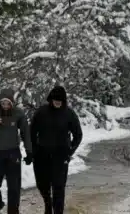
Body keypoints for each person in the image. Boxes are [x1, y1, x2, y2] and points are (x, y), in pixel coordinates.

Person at [29, 86, 83, 214]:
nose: (58, 102)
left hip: (61, 156)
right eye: (55, 99)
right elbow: (31, 133)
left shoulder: (69, 114)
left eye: (60, 100)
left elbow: (78, 135)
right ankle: (48, 204)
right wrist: (34, 149)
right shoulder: (41, 112)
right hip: (42, 155)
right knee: (42, 185)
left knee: (58, 187)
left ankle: (58, 211)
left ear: (64, 100)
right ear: (51, 99)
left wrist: (69, 152)